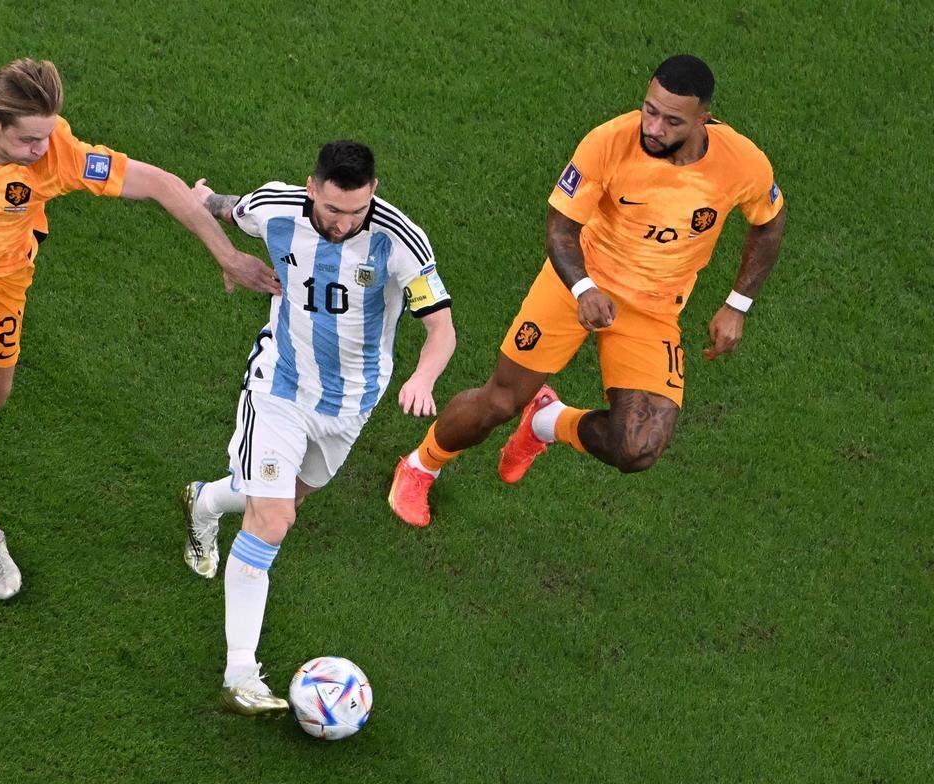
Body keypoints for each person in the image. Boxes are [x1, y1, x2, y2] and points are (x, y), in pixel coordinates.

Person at [0, 58, 279, 599]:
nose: (41, 151)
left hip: (3, 286)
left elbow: (163, 185)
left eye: (48, 135)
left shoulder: (58, 153)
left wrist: (228, 256)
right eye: (29, 140)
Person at [388, 54, 787, 527]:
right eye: (649, 109)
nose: (653, 127)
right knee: (498, 401)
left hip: (655, 308)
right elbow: (560, 227)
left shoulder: (743, 163)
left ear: (704, 119)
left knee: (637, 448)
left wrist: (737, 304)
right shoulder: (609, 142)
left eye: (672, 120)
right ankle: (421, 464)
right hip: (576, 283)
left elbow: (769, 223)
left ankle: (545, 423)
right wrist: (582, 288)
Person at [181, 141, 456, 714]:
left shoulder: (398, 240)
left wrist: (424, 379)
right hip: (280, 387)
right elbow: (234, 209)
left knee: (287, 501)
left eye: (356, 211)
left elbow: (441, 330)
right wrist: (203, 198)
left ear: (372, 193)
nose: (343, 223)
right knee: (273, 518)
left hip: (350, 406)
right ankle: (241, 675)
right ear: (313, 188)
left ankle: (204, 501)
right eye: (333, 210)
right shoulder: (277, 207)